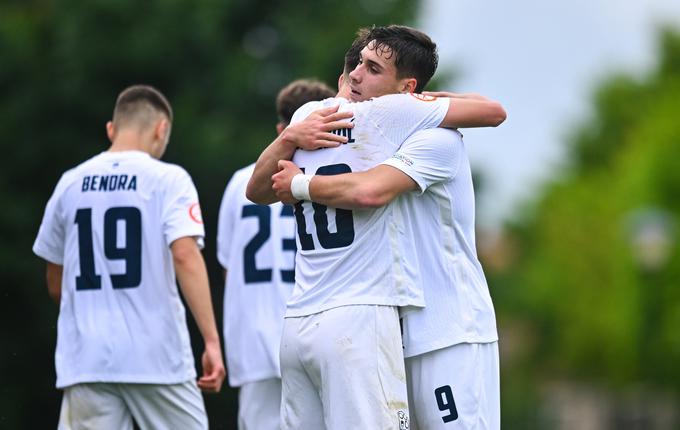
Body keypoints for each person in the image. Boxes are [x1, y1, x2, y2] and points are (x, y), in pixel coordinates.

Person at [247, 25, 505, 430]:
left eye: (372, 69)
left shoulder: (435, 139)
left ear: (407, 89)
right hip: (386, 324)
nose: (355, 78)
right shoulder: (369, 124)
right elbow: (490, 110)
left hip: (449, 327)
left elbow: (371, 189)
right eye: (356, 67)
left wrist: (298, 181)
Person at [32, 85, 225, 430]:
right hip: (157, 356)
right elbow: (184, 255)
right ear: (160, 129)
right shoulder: (169, 178)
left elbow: (55, 281)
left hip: (87, 359)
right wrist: (211, 340)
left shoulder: (70, 183)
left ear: (112, 129)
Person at [216, 79, 335, 430]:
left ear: (280, 130)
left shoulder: (241, 183)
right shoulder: (333, 178)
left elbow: (229, 269)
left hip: (252, 335)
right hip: (316, 327)